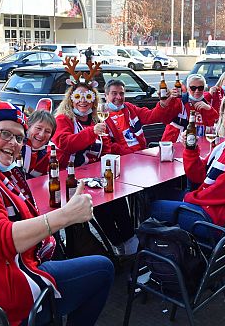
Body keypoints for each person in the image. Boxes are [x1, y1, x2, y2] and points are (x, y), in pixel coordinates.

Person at [0, 83, 114, 325]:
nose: (13, 143)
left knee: (62, 255)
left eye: (19, 138)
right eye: (5, 134)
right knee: (103, 269)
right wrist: (64, 217)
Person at [150, 93, 225, 234]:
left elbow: (222, 191)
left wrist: (188, 198)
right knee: (156, 193)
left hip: (214, 220)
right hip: (212, 207)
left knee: (152, 206)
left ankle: (148, 250)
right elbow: (198, 176)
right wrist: (191, 150)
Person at [53, 62, 137, 255]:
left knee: (117, 197)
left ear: (94, 100)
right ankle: (117, 244)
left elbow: (105, 147)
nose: (83, 101)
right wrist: (92, 132)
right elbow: (66, 143)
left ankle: (130, 243)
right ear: (71, 99)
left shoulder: (95, 119)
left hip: (94, 176)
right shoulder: (63, 120)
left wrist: (117, 159)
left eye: (88, 97)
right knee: (100, 207)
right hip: (71, 180)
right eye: (78, 97)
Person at [104, 79, 180, 155]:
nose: (119, 97)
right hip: (122, 158)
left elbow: (152, 116)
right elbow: (108, 146)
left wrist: (162, 104)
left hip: (141, 154)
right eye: (114, 93)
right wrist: (132, 154)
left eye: (121, 93)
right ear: (105, 96)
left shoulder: (129, 108)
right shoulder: (101, 116)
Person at [161, 74, 218, 143]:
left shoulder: (206, 104)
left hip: (198, 143)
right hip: (175, 142)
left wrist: (209, 109)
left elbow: (215, 125)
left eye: (200, 88)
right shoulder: (179, 101)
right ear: (187, 88)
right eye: (193, 88)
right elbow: (164, 118)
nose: (197, 91)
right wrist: (168, 100)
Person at [22, 110, 56, 178]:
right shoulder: (16, 148)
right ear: (28, 127)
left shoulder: (45, 156)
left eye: (47, 131)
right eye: (38, 128)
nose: (41, 134)